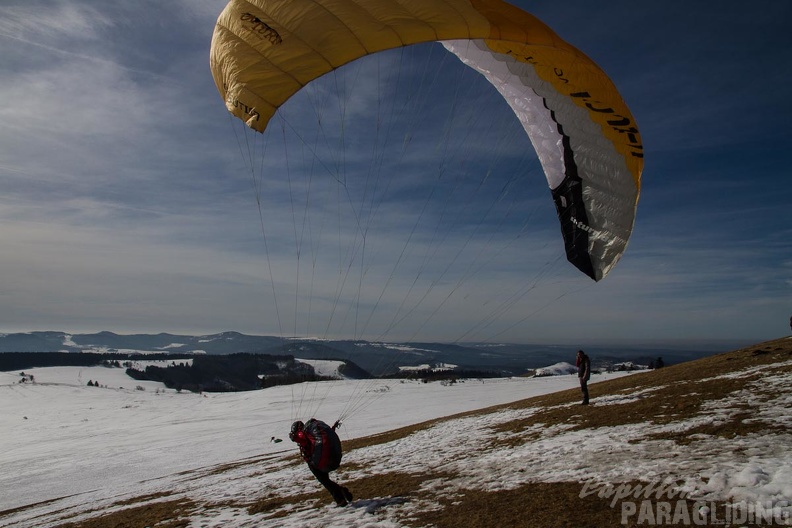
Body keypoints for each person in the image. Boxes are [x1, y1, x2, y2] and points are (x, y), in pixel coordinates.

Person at [289, 418, 353, 506]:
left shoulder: (304, 435)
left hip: (316, 463)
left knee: (325, 481)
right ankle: (341, 493)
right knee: (326, 481)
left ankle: (340, 500)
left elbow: (300, 438)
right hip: (325, 458)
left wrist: (293, 437)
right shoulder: (312, 433)